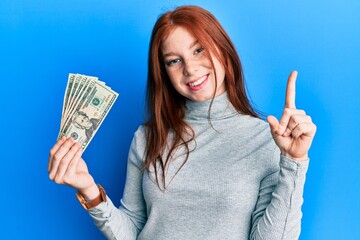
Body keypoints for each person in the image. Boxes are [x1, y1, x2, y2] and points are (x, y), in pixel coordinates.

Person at [48, 5, 316, 240]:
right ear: (164, 73)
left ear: (222, 49)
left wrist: (294, 162)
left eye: (198, 50)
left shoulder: (266, 139)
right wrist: (89, 189)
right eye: (174, 61)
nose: (190, 69)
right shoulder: (146, 138)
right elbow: (132, 230)